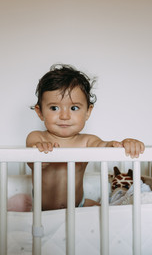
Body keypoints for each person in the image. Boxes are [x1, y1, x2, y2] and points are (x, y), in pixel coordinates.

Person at [26, 64, 145, 211]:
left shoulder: (87, 141)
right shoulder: (38, 137)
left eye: (74, 108)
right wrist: (39, 151)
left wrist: (123, 144)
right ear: (40, 112)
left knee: (107, 214)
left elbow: (106, 147)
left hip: (78, 205)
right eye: (54, 108)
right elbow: (32, 160)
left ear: (88, 112)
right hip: (42, 210)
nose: (64, 116)